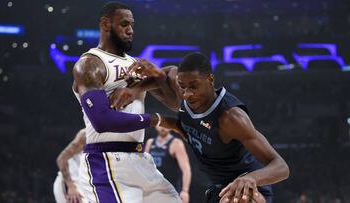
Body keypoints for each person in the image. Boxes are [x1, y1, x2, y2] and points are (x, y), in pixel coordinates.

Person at [111, 52, 290, 203]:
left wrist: (250, 178)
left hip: (245, 187)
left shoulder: (231, 118)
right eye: (182, 87)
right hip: (217, 187)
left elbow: (281, 167)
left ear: (210, 80)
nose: (188, 94)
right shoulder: (182, 89)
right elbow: (166, 75)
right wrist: (136, 91)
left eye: (194, 87)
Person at [72, 2, 181, 203]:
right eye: (124, 24)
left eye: (132, 24)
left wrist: (158, 76)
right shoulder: (91, 64)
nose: (130, 30)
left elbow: (175, 104)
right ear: (105, 25)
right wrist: (158, 120)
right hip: (107, 161)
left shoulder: (135, 65)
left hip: (141, 160)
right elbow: (102, 121)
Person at [145, 126, 191, 203]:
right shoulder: (150, 142)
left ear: (170, 127)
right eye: (160, 125)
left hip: (171, 190)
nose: (163, 128)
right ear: (156, 126)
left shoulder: (176, 143)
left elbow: (186, 169)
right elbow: (145, 167)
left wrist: (185, 191)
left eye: (165, 125)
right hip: (153, 190)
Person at [54, 129, 86, 203]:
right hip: (70, 183)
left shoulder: (113, 137)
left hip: (85, 183)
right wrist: (71, 186)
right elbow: (61, 159)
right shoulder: (86, 135)